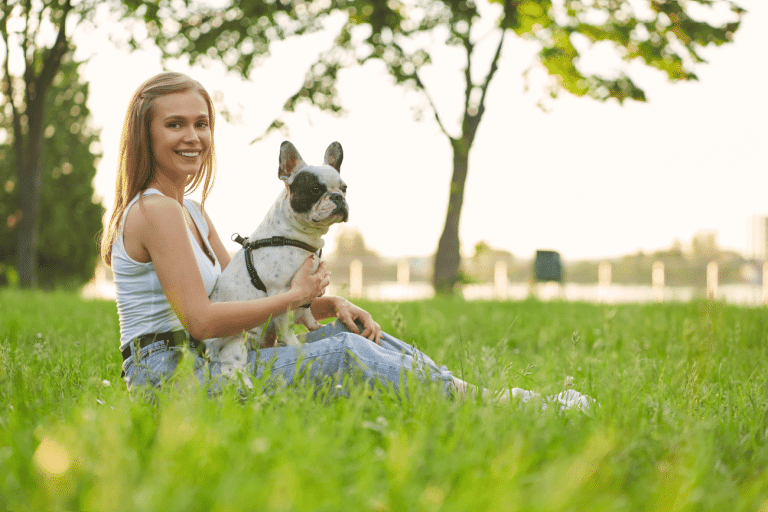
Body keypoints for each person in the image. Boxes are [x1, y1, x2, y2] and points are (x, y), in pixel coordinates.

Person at [100, 71, 592, 410]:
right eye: (175, 124)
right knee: (345, 355)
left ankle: (482, 400)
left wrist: (329, 304)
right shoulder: (155, 211)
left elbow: (247, 300)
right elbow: (204, 321)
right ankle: (505, 406)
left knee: (351, 335)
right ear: (146, 134)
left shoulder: (190, 210)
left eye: (201, 123)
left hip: (212, 358)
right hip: (169, 379)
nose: (192, 136)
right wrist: (295, 297)